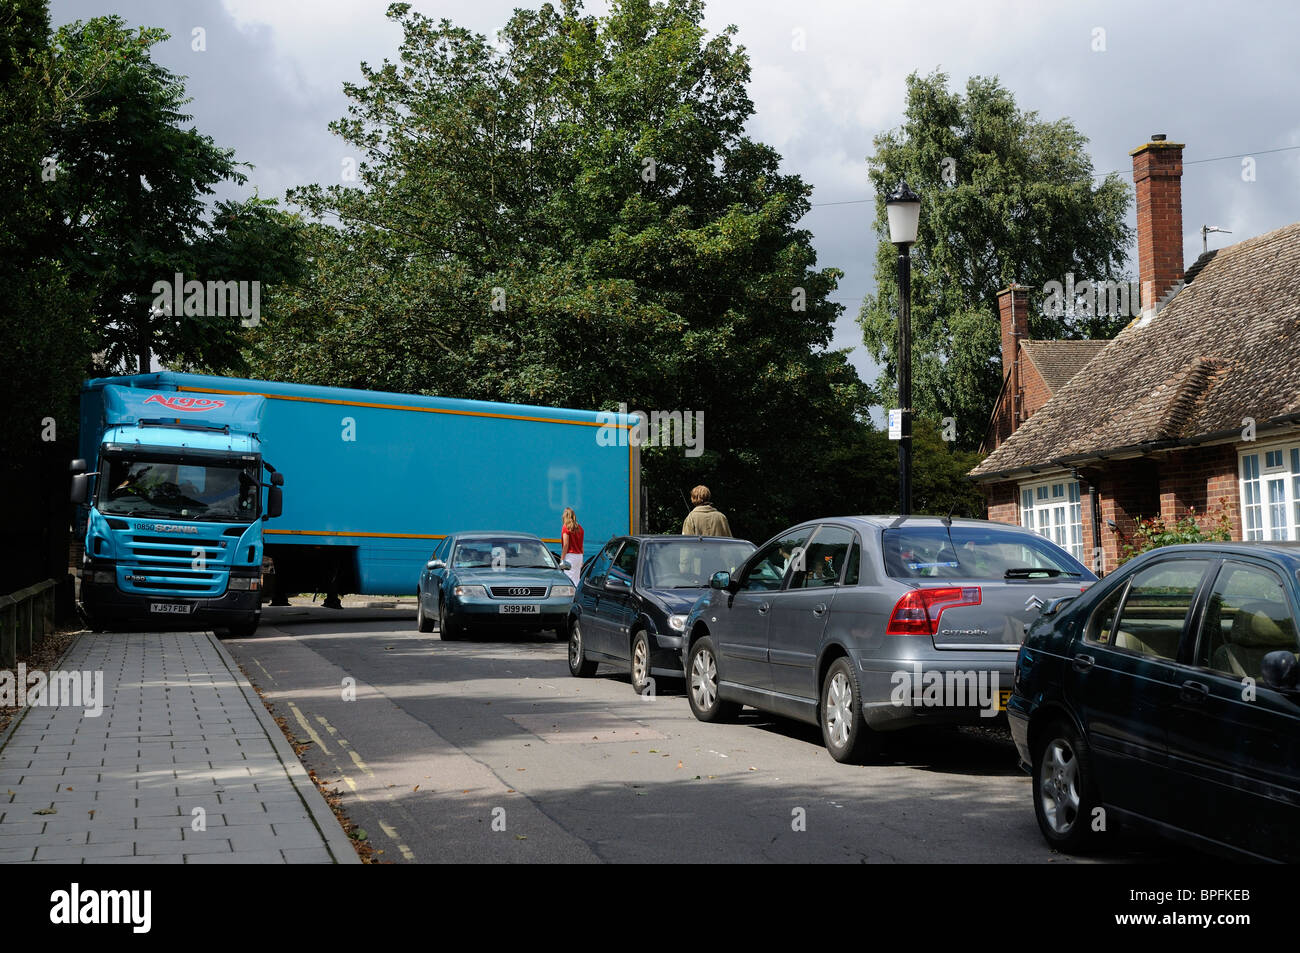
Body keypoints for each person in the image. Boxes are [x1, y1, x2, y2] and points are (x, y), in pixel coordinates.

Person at [560, 507, 584, 585]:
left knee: (569, 580)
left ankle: (571, 597)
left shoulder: (566, 528)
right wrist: (582, 558)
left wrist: (562, 559)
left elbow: (566, 544)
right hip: (579, 556)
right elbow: (581, 545)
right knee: (577, 579)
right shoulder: (580, 528)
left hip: (570, 556)